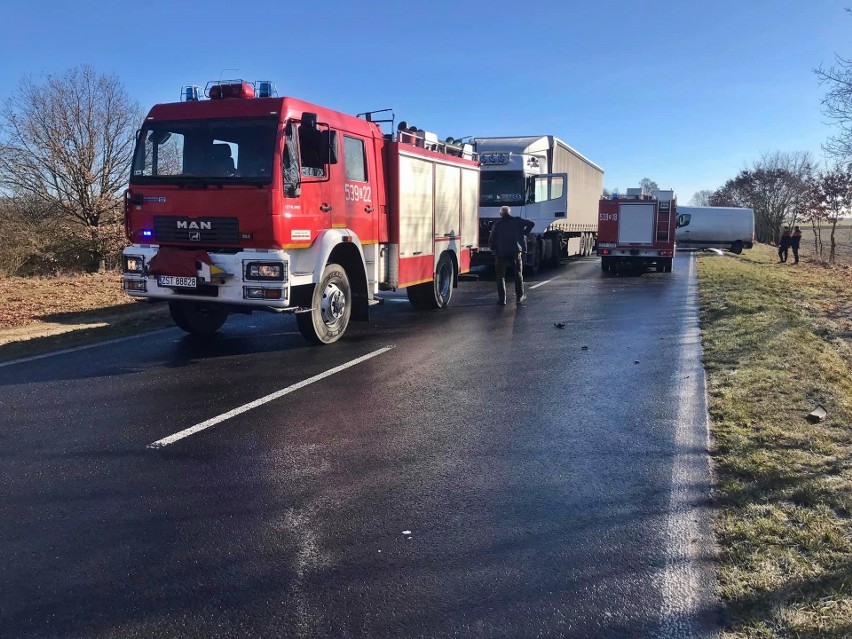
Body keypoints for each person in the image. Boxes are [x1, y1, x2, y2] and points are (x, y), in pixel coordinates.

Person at [489, 205, 535, 305]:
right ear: (510, 213)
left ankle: (502, 300)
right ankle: (519, 297)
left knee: (500, 276)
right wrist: (524, 233)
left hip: (501, 252)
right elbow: (531, 223)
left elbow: (491, 239)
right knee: (518, 273)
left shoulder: (497, 224)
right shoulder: (517, 221)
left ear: (501, 214)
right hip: (515, 251)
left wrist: (494, 250)